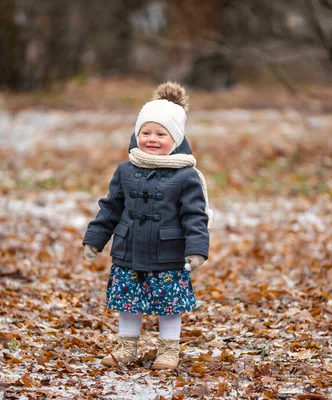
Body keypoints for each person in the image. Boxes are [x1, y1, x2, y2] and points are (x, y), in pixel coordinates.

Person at [82, 81, 211, 370]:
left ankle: (168, 350)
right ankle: (127, 346)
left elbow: (195, 215)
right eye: (145, 132)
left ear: (175, 139)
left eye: (160, 134)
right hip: (128, 250)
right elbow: (111, 207)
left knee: (170, 305)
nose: (151, 139)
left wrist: (197, 249)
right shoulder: (125, 170)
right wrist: (95, 238)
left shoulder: (185, 176)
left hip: (168, 254)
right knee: (128, 301)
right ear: (136, 134)